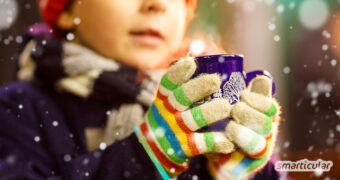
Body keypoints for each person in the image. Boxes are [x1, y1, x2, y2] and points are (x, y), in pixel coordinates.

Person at [0, 0, 283, 179]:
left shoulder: (204, 102)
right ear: (67, 9)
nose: (156, 4)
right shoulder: (19, 108)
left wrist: (243, 172)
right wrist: (145, 156)